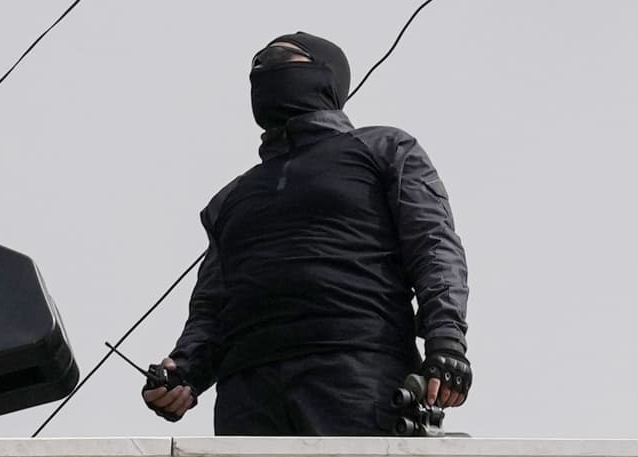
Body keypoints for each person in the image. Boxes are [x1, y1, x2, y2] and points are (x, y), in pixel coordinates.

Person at [143, 31, 471, 435]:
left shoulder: (382, 148)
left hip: (356, 373)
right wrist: (185, 370)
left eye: (280, 58)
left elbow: (434, 248)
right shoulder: (231, 198)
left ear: (326, 75)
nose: (262, 68)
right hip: (246, 395)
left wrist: (447, 340)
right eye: (257, 63)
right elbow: (211, 306)